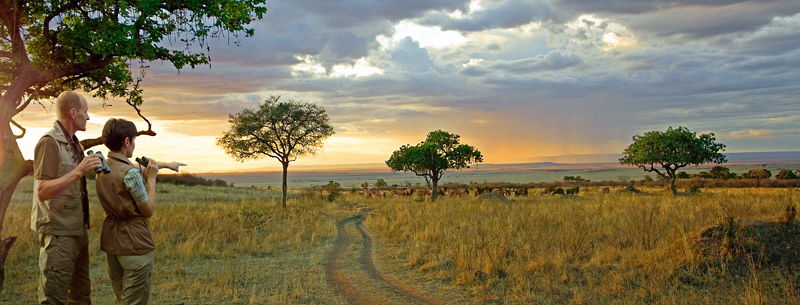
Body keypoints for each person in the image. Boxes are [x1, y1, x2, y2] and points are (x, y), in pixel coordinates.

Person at [32, 91, 102, 304]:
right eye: (85, 111)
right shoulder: (49, 143)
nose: (88, 117)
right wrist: (78, 172)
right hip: (59, 233)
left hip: (77, 230)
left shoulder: (75, 144)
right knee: (54, 297)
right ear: (73, 112)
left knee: (81, 295)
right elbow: (42, 190)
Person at [94, 118, 159, 305]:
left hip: (112, 243)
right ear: (127, 141)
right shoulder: (130, 173)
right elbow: (147, 210)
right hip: (135, 244)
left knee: (120, 298)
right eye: (134, 140)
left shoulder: (102, 167)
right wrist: (151, 180)